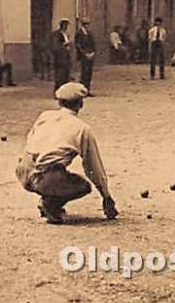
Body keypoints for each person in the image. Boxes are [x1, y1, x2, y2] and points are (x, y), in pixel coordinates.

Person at [15, 82, 119, 224]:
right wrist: (106, 197)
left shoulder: (44, 116)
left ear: (59, 102)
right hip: (46, 178)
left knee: (56, 170)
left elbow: (30, 141)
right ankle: (51, 204)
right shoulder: (82, 129)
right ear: (80, 104)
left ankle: (47, 199)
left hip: (24, 171)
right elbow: (93, 168)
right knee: (82, 186)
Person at [74, 17, 96, 95]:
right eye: (85, 24)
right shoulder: (79, 33)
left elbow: (93, 44)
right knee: (84, 73)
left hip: (90, 55)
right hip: (84, 56)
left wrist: (92, 53)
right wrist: (85, 54)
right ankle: (82, 90)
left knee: (89, 74)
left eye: (88, 24)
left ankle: (87, 89)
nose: (87, 26)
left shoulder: (89, 33)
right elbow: (78, 45)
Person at [51, 18, 73, 91]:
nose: (66, 27)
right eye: (65, 25)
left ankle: (64, 91)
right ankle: (58, 91)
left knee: (65, 76)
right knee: (60, 76)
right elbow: (56, 46)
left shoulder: (65, 34)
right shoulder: (56, 34)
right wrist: (64, 45)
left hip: (66, 58)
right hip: (60, 59)